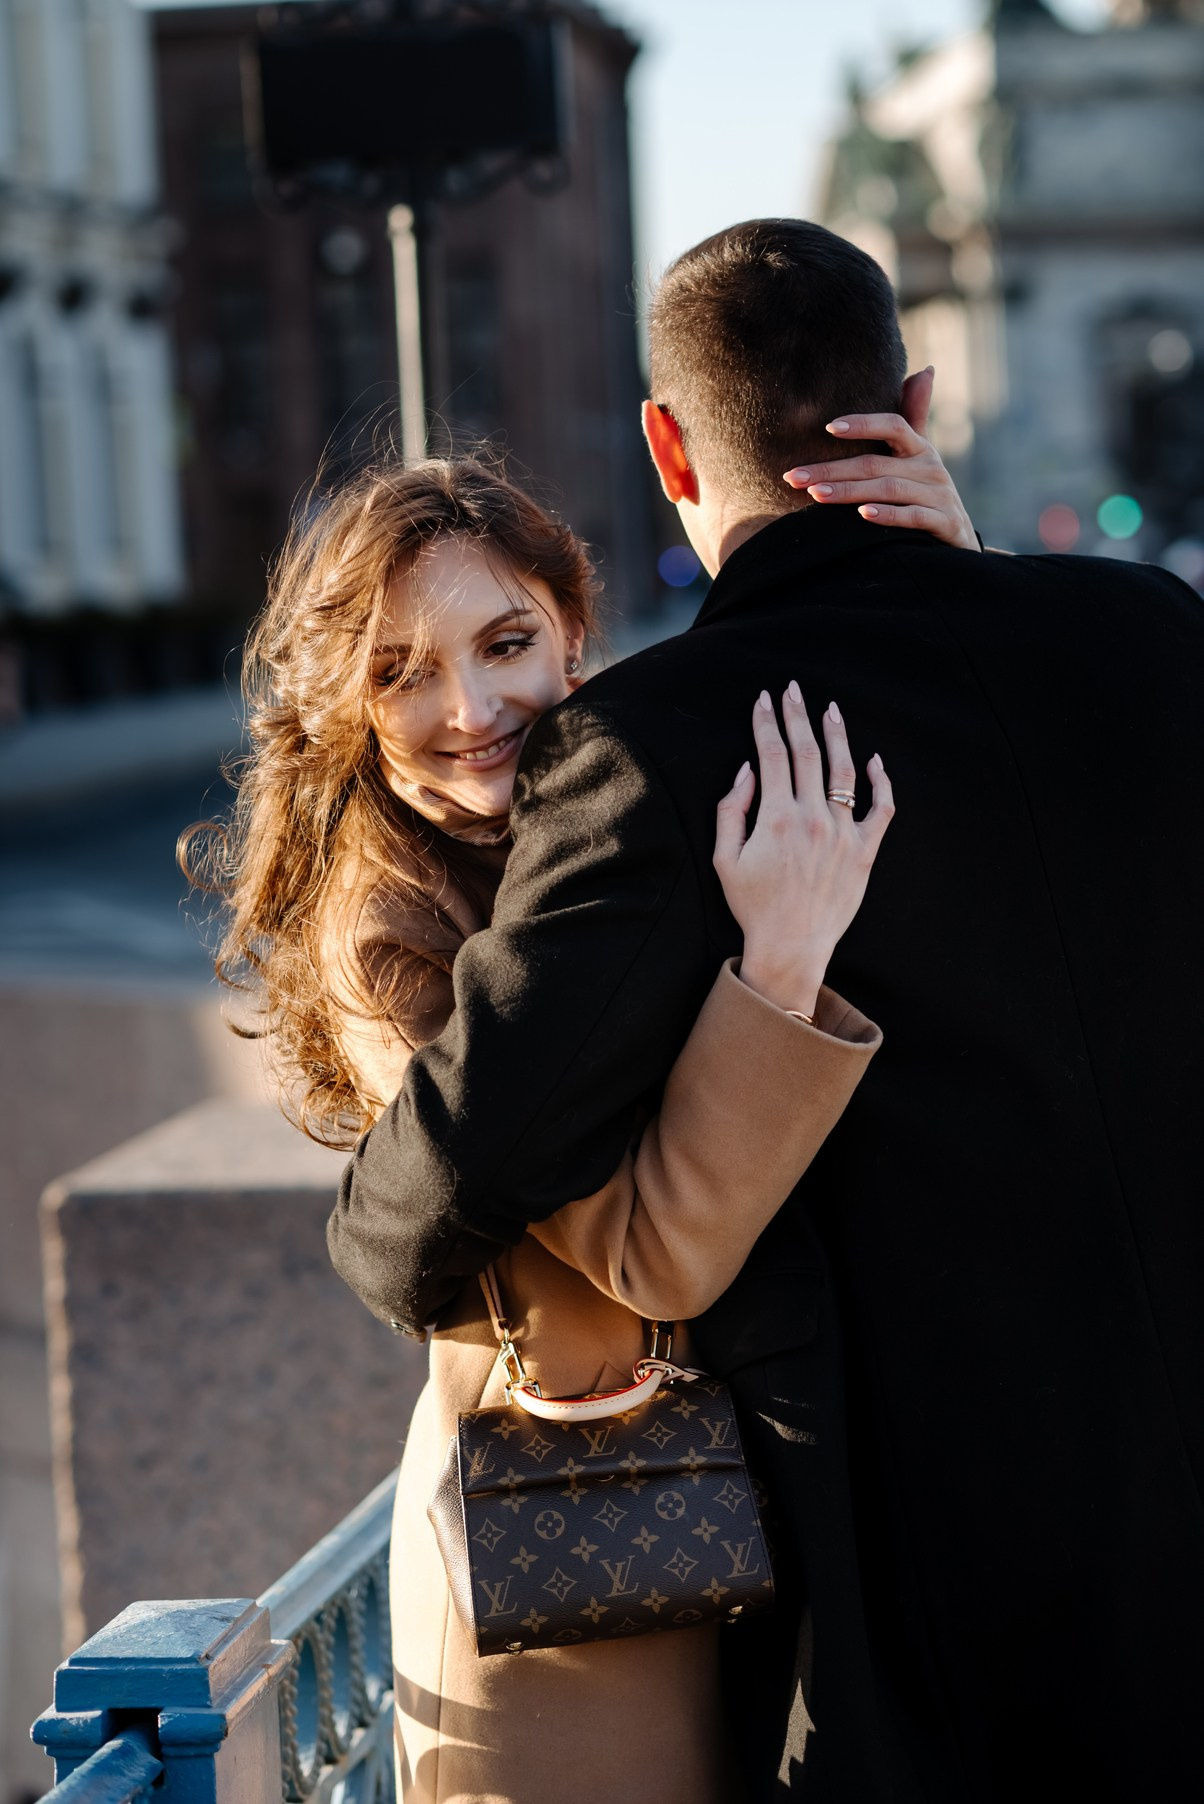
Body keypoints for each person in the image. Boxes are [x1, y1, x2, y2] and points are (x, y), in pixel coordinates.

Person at [329, 218, 1204, 1804]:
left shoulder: (660, 740)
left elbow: (417, 1211)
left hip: (913, 1600)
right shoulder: (1155, 637)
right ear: (916, 407)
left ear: (667, 442)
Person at [195, 434, 973, 1802]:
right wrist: (778, 976)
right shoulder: (387, 936)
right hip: (572, 1565)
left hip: (723, 1512)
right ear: (349, 704)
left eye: (503, 641)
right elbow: (649, 1252)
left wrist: (947, 575)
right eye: (402, 672)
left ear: (571, 627)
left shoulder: (612, 816)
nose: (471, 705)